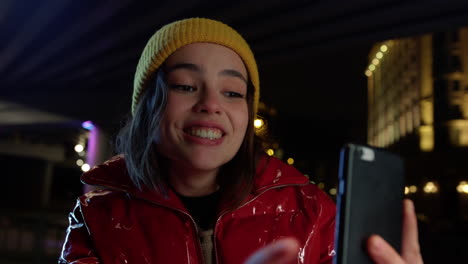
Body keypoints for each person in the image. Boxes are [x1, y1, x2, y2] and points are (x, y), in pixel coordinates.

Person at [59, 18, 423, 264]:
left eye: (233, 92)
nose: (211, 105)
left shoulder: (312, 211)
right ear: (147, 107)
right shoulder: (96, 216)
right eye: (186, 86)